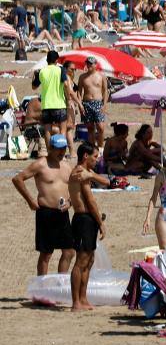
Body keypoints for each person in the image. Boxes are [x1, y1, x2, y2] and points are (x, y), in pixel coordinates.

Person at [12, 134, 75, 275]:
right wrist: (30, 200)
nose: (61, 152)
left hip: (63, 213)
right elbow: (18, 179)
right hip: (46, 213)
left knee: (69, 251)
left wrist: (70, 202)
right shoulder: (40, 164)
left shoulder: (66, 166)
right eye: (58, 149)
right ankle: (43, 289)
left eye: (64, 149)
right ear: (50, 148)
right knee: (46, 254)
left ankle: (60, 284)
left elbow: (74, 187)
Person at [68, 143, 108, 311]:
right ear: (85, 156)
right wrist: (101, 223)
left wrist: (91, 175)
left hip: (87, 219)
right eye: (95, 156)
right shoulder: (79, 173)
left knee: (89, 260)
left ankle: (83, 298)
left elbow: (106, 181)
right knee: (81, 261)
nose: (97, 160)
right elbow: (90, 202)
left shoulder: (86, 173)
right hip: (83, 219)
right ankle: (75, 302)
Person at [32, 50, 71, 143]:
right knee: (63, 130)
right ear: (57, 60)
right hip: (59, 104)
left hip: (46, 105)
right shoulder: (61, 69)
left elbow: (34, 87)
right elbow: (66, 85)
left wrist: (34, 75)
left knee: (48, 131)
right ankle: (61, 154)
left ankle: (50, 152)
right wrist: (68, 98)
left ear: (47, 60)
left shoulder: (41, 71)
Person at [77, 56, 109, 150]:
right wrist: (80, 105)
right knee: (90, 128)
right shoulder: (82, 77)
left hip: (98, 103)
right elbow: (79, 92)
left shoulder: (101, 76)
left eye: (91, 63)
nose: (88, 65)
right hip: (86, 103)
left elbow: (105, 91)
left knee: (101, 127)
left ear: (96, 65)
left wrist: (105, 104)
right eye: (87, 63)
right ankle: (92, 148)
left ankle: (101, 148)